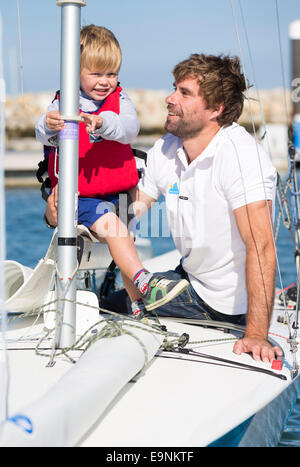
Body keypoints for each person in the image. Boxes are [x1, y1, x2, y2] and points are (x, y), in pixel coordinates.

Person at [101, 53, 283, 364]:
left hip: (224, 303)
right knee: (103, 305)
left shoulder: (241, 157)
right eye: (174, 88)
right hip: (191, 279)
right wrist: (81, 208)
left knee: (102, 311)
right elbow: (132, 209)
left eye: (184, 93)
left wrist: (255, 334)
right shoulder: (167, 150)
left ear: (216, 109)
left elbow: (261, 246)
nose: (169, 99)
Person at [36, 24, 189, 317]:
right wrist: (48, 124)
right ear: (74, 71)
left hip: (118, 192)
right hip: (81, 197)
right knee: (118, 229)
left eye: (112, 74)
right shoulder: (62, 102)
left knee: (125, 242)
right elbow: (41, 134)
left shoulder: (120, 100)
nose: (105, 81)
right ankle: (146, 282)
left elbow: (130, 128)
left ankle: (137, 304)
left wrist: (103, 122)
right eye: (96, 73)